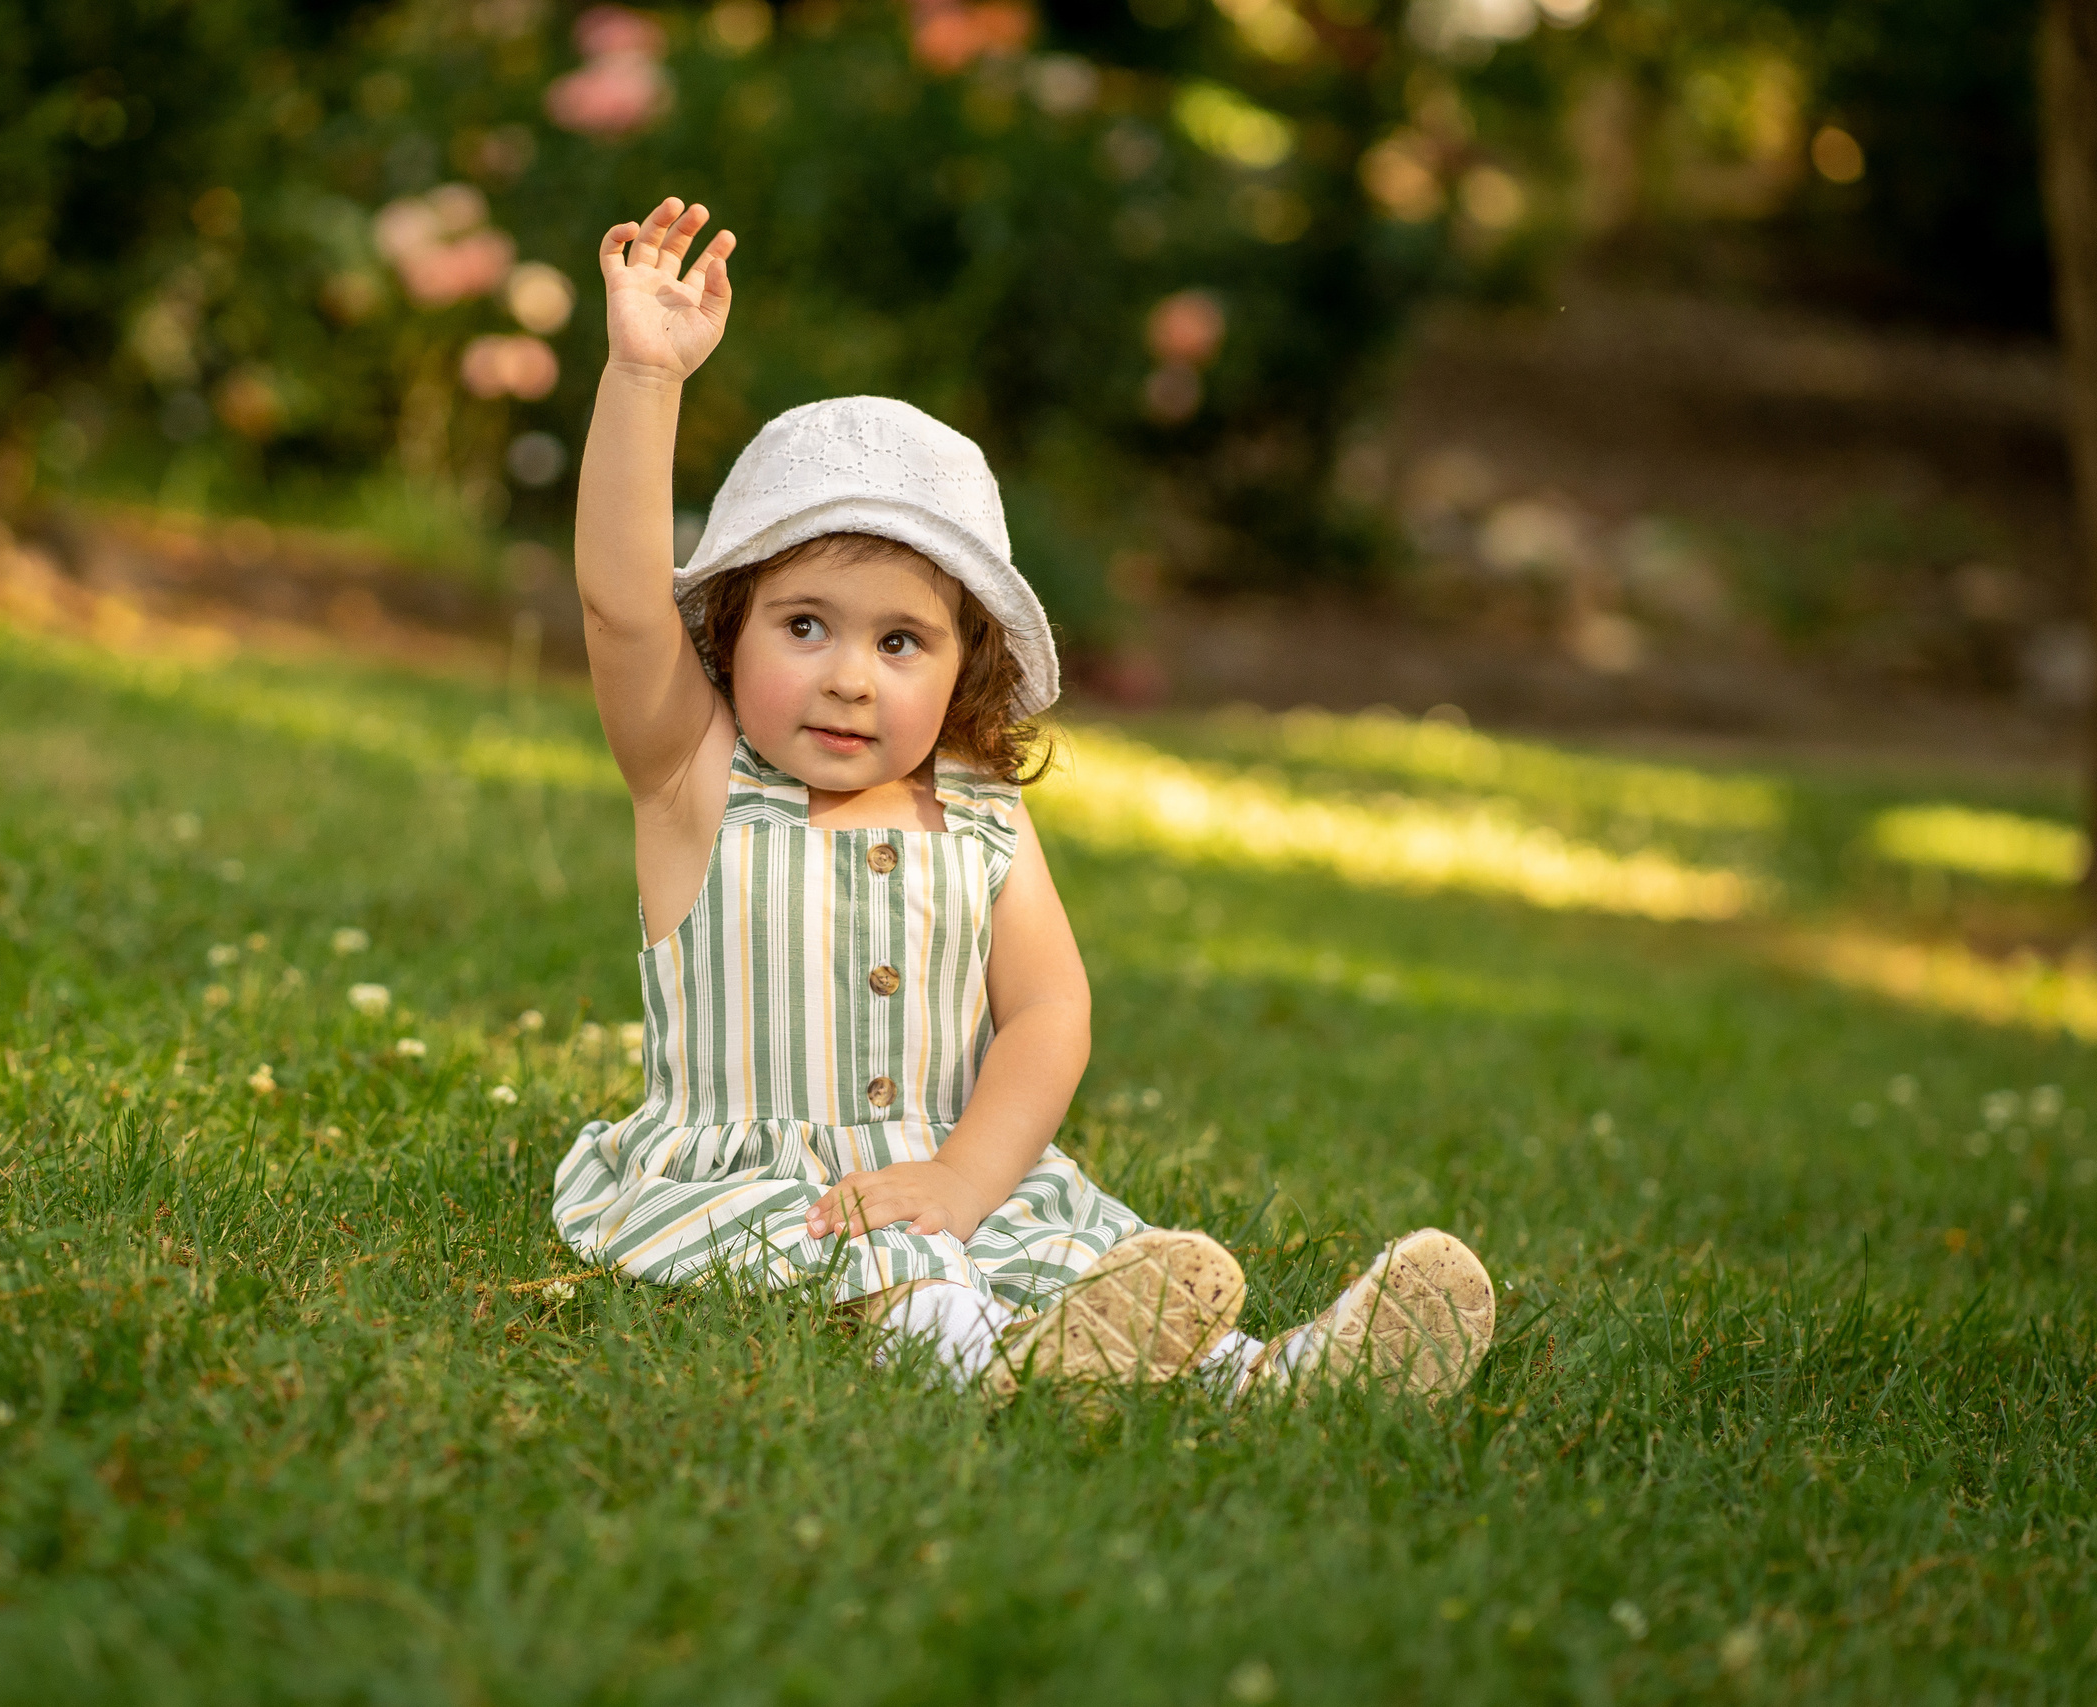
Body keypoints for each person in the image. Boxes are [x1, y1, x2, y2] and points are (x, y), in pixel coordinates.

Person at [551, 196, 1495, 1401]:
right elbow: (621, 604)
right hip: (755, 1183)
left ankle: (1266, 1376)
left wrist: (965, 1181)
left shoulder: (980, 811)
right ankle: (976, 1355)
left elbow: (1048, 1011)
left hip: (965, 1169)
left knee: (1064, 1253)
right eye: (805, 626)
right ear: (728, 628)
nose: (848, 676)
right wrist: (644, 377)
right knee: (888, 1256)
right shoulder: (692, 771)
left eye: (901, 642)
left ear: (966, 670)